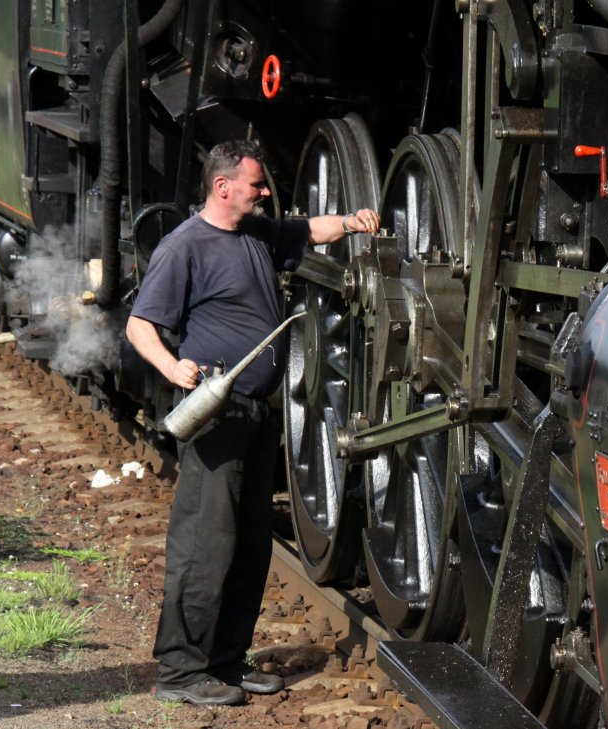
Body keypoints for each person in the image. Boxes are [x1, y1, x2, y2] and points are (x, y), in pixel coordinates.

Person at [126, 140, 379, 706]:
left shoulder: (258, 233)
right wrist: (173, 365)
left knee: (248, 546)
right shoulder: (183, 247)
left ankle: (225, 659)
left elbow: (309, 231)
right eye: (256, 184)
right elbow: (140, 324)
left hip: (259, 418)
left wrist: (353, 222)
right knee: (204, 544)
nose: (265, 192)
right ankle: (180, 672)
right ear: (222, 188)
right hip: (217, 416)